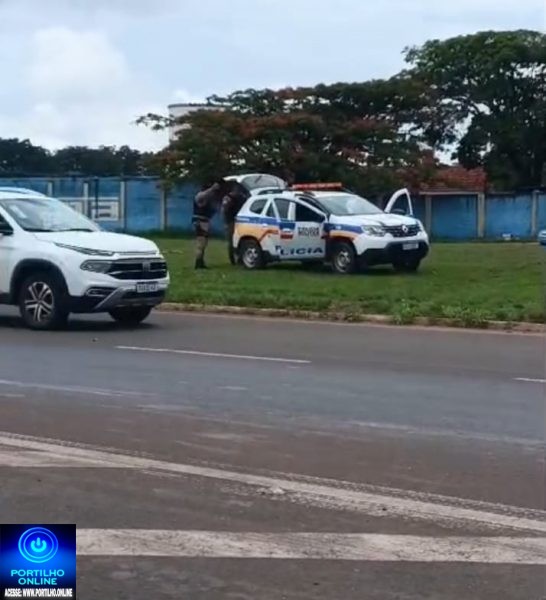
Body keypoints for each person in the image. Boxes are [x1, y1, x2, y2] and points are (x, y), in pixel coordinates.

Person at [192, 179, 229, 269]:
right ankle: (198, 262)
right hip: (200, 221)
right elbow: (202, 196)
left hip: (204, 221)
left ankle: (200, 261)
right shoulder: (200, 196)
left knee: (204, 243)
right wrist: (212, 189)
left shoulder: (209, 200)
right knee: (201, 243)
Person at [221, 183, 249, 265]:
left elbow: (223, 210)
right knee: (232, 240)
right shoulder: (230, 198)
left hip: (238, 221)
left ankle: (238, 258)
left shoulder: (241, 198)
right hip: (232, 221)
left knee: (238, 240)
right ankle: (233, 259)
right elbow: (224, 210)